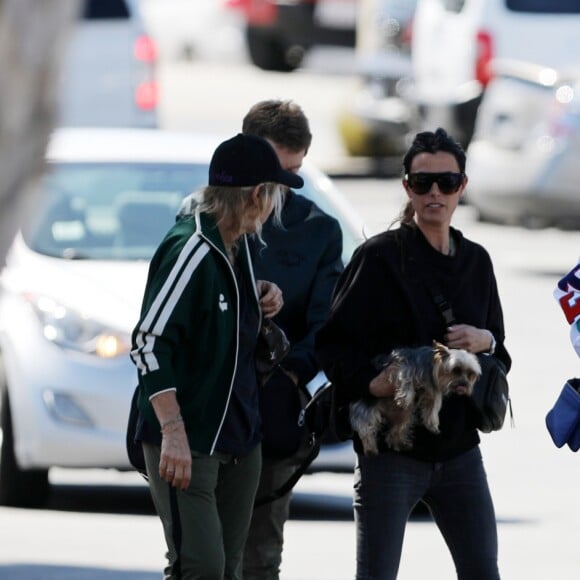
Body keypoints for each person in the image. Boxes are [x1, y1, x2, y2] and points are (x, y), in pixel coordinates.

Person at [316, 128, 512, 580]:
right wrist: (370, 381)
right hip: (392, 450)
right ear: (407, 186)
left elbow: (501, 353)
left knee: (483, 571)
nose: (435, 193)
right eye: (422, 183)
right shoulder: (378, 259)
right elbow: (331, 345)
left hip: (461, 449)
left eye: (446, 182)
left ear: (462, 186)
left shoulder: (476, 262)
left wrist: (486, 341)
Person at [130, 133, 304, 580]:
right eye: (274, 193)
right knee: (201, 567)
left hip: (242, 439)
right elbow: (149, 342)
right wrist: (172, 430)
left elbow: (223, 318)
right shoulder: (190, 248)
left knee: (229, 570)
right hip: (189, 441)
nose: (273, 205)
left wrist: (261, 293)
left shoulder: (239, 243)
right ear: (256, 195)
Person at [241, 100, 344, 580]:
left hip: (273, 407)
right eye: (275, 171)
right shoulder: (201, 217)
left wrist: (288, 379)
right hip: (209, 404)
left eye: (295, 172)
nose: (283, 185)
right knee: (199, 555)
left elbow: (328, 325)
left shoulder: (318, 230)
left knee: (261, 551)